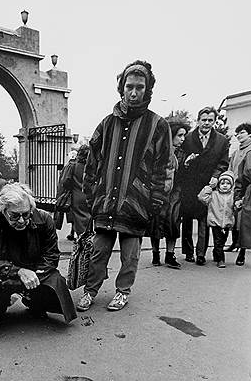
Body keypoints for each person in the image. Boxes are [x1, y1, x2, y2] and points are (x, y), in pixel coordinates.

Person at [77, 60, 172, 312]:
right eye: (129, 86)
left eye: (140, 87)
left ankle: (122, 291)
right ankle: (90, 290)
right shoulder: (107, 123)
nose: (133, 92)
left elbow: (163, 166)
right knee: (98, 251)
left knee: (130, 256)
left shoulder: (158, 125)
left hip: (137, 203)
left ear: (147, 90)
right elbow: (92, 161)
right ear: (121, 88)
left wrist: (156, 199)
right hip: (106, 200)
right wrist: (90, 193)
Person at [0, 182, 76, 333]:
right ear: (3, 210)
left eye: (26, 214)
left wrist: (34, 274)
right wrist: (18, 272)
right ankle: (2, 304)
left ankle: (34, 300)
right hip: (2, 272)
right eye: (14, 215)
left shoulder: (44, 219)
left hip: (35, 271)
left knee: (56, 280)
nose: (21, 220)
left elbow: (51, 255)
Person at [177, 106, 229, 266]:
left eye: (210, 120)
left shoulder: (221, 140)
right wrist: (186, 162)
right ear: (198, 120)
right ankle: (188, 252)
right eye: (204, 120)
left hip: (207, 186)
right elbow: (180, 155)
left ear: (214, 121)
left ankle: (201, 253)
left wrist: (215, 176)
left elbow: (223, 162)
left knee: (203, 220)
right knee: (186, 219)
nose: (206, 123)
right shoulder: (188, 138)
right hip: (189, 184)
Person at [150, 119, 190, 269]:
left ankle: (170, 254)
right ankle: (155, 254)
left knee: (173, 223)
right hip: (159, 192)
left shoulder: (182, 154)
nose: (182, 139)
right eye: (179, 135)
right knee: (155, 224)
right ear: (171, 135)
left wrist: (185, 166)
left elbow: (183, 178)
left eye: (184, 136)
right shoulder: (159, 151)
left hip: (174, 194)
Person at [225, 122, 251, 251]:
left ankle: (243, 245)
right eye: (237, 133)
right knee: (234, 215)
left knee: (244, 218)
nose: (238, 136)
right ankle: (234, 242)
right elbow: (230, 168)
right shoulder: (236, 152)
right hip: (235, 186)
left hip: (248, 187)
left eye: (242, 132)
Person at [197, 170, 235, 268]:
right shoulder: (214, 195)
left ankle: (216, 252)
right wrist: (210, 187)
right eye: (222, 183)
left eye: (228, 183)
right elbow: (201, 197)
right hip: (215, 222)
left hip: (227, 223)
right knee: (218, 242)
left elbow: (235, 206)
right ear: (218, 185)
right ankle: (220, 259)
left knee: (222, 241)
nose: (225, 185)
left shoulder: (232, 196)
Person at [233, 144, 251, 266]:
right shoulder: (249, 155)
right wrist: (238, 196)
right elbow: (241, 178)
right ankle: (242, 251)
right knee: (247, 222)